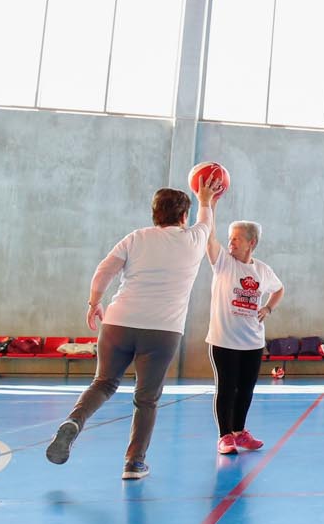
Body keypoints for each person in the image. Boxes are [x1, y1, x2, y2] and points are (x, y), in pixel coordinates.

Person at [47, 181, 219, 479]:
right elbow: (206, 219)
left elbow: (104, 270)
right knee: (146, 399)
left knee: (103, 383)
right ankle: (134, 463)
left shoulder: (136, 238)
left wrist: (94, 303)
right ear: (182, 217)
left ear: (155, 214)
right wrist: (205, 199)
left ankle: (74, 421)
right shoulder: (193, 240)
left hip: (117, 323)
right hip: (162, 331)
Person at [204, 217, 283, 456]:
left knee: (246, 389)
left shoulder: (262, 270)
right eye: (230, 238)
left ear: (252, 242)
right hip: (224, 340)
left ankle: (239, 432)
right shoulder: (224, 263)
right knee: (226, 388)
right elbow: (209, 239)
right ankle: (224, 436)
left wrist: (268, 308)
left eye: (236, 238)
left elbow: (279, 289)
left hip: (253, 341)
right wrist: (209, 204)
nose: (231, 243)